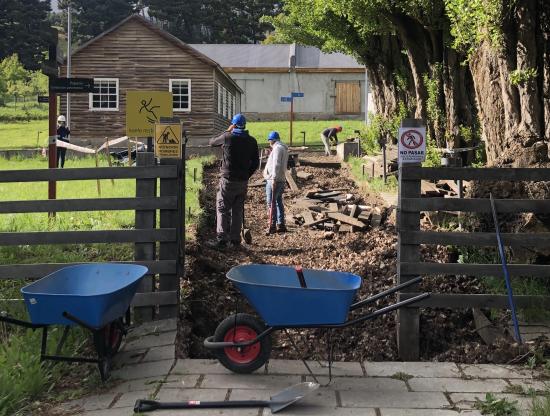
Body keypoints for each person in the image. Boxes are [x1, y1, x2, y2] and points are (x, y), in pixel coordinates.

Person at [209, 114, 259, 248]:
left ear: (234, 125)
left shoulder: (227, 137)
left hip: (227, 180)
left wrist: (227, 130)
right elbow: (256, 163)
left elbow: (212, 142)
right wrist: (247, 175)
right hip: (242, 181)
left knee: (222, 208)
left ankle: (222, 239)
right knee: (237, 210)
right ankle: (235, 240)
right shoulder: (252, 141)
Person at [263, 131, 289, 235]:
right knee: (278, 201)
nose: (269, 142)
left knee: (271, 202)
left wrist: (273, 178)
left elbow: (277, 164)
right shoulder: (281, 148)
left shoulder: (277, 148)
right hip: (280, 179)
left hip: (275, 180)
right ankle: (281, 224)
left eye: (269, 140)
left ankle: (272, 226)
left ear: (272, 140)